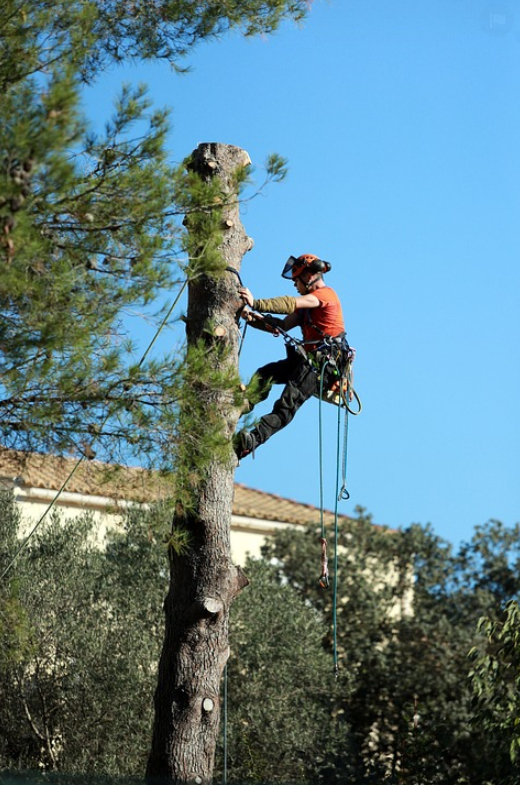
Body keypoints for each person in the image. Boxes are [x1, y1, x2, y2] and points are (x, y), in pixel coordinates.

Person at [234, 253, 347, 460]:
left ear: (309, 276)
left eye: (296, 280)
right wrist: (254, 319)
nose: (295, 285)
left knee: (287, 404)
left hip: (322, 363)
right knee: (265, 373)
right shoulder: (307, 308)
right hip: (308, 359)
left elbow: (289, 303)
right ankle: (242, 404)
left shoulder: (324, 295)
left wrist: (256, 303)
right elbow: (283, 325)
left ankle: (252, 441)